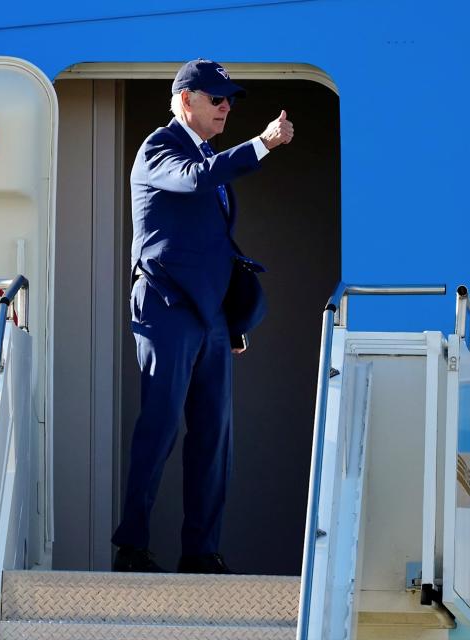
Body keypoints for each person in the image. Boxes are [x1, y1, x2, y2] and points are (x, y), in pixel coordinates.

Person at [111, 59, 294, 573]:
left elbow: (214, 242)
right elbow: (194, 180)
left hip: (209, 316)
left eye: (229, 99)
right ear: (186, 99)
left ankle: (201, 551)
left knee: (215, 436)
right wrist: (262, 144)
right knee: (161, 424)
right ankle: (132, 546)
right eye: (217, 99)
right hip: (166, 305)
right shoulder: (159, 148)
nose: (226, 107)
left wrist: (231, 315)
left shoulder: (209, 153)